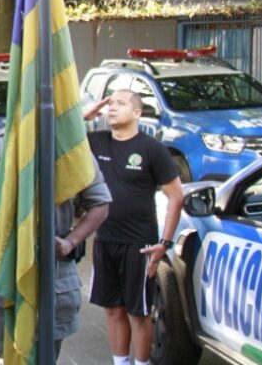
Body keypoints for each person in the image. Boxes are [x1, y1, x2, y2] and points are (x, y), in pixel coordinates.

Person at [0, 131, 111, 359]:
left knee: (48, 353)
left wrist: (71, 241)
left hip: (56, 273)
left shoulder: (73, 147)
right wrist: (12, 242)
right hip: (9, 271)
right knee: (10, 353)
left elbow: (100, 203)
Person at [84, 89, 184, 365]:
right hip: (105, 240)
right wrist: (87, 114)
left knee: (138, 312)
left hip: (140, 244)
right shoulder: (97, 141)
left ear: (137, 113)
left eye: (120, 103)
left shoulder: (152, 149)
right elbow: (60, 138)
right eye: (110, 103)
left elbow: (176, 197)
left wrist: (164, 244)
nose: (112, 108)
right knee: (112, 309)